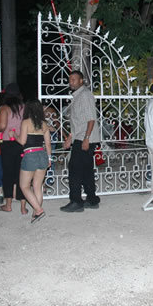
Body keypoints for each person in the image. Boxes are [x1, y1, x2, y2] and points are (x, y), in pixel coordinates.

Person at [61, 70, 101, 212]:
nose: (71, 82)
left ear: (81, 81)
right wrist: (70, 138)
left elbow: (91, 119)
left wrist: (86, 138)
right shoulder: (77, 96)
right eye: (70, 79)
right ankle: (92, 199)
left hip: (85, 138)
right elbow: (78, 122)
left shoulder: (85, 95)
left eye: (74, 79)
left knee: (75, 170)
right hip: (80, 137)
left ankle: (76, 201)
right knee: (86, 170)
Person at [12, 100, 52, 224]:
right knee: (37, 186)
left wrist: (14, 134)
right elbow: (48, 144)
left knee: (24, 186)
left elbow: (22, 141)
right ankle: (36, 213)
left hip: (30, 155)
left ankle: (38, 210)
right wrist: (49, 158)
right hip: (42, 155)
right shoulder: (44, 124)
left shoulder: (25, 123)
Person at [0, 83, 26, 214]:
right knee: (22, 174)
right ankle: (23, 207)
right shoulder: (24, 107)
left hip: (7, 144)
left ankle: (8, 204)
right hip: (21, 142)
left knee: (8, 174)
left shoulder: (4, 108)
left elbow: (2, 126)